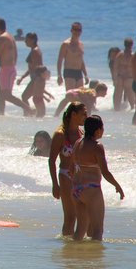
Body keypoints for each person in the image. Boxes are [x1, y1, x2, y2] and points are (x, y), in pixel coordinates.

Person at [70, 115, 124, 241]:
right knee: (97, 230)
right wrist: (117, 186)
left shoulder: (78, 143)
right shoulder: (97, 146)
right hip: (91, 190)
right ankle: (95, 260)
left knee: (80, 229)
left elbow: (71, 169)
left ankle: (72, 256)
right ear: (98, 130)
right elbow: (105, 172)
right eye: (103, 128)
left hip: (76, 189)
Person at [48, 101, 87, 237]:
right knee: (70, 217)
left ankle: (76, 245)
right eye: (83, 114)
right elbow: (51, 160)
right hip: (65, 176)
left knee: (83, 215)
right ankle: (67, 248)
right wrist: (55, 184)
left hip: (81, 178)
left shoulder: (81, 133)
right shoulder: (60, 134)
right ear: (74, 114)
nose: (86, 117)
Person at [0, 17, 30, 115]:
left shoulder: (2, 38)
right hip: (8, 68)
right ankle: (1, 114)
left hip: (6, 70)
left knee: (6, 95)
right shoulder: (10, 37)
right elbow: (15, 53)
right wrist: (12, 66)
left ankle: (28, 109)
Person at [16, 32, 46, 116]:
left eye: (27, 39)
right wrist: (22, 77)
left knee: (28, 97)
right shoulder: (35, 50)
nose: (25, 41)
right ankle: (33, 114)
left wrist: (38, 81)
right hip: (36, 78)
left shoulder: (35, 51)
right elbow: (32, 68)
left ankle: (29, 114)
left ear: (32, 40)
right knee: (34, 98)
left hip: (36, 78)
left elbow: (37, 67)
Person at [57, 22, 88, 91]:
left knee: (80, 96)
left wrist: (85, 75)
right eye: (75, 29)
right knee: (71, 96)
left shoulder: (81, 45)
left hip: (79, 72)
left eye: (79, 30)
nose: (77, 32)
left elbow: (81, 61)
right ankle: (63, 102)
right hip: (69, 72)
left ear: (81, 31)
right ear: (71, 30)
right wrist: (59, 75)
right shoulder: (66, 44)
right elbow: (60, 60)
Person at [112, 38, 135, 111]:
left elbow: (115, 67)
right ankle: (118, 109)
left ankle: (131, 109)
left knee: (126, 95)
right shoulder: (123, 54)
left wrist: (114, 78)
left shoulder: (121, 54)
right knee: (121, 95)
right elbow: (115, 67)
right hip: (124, 77)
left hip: (125, 77)